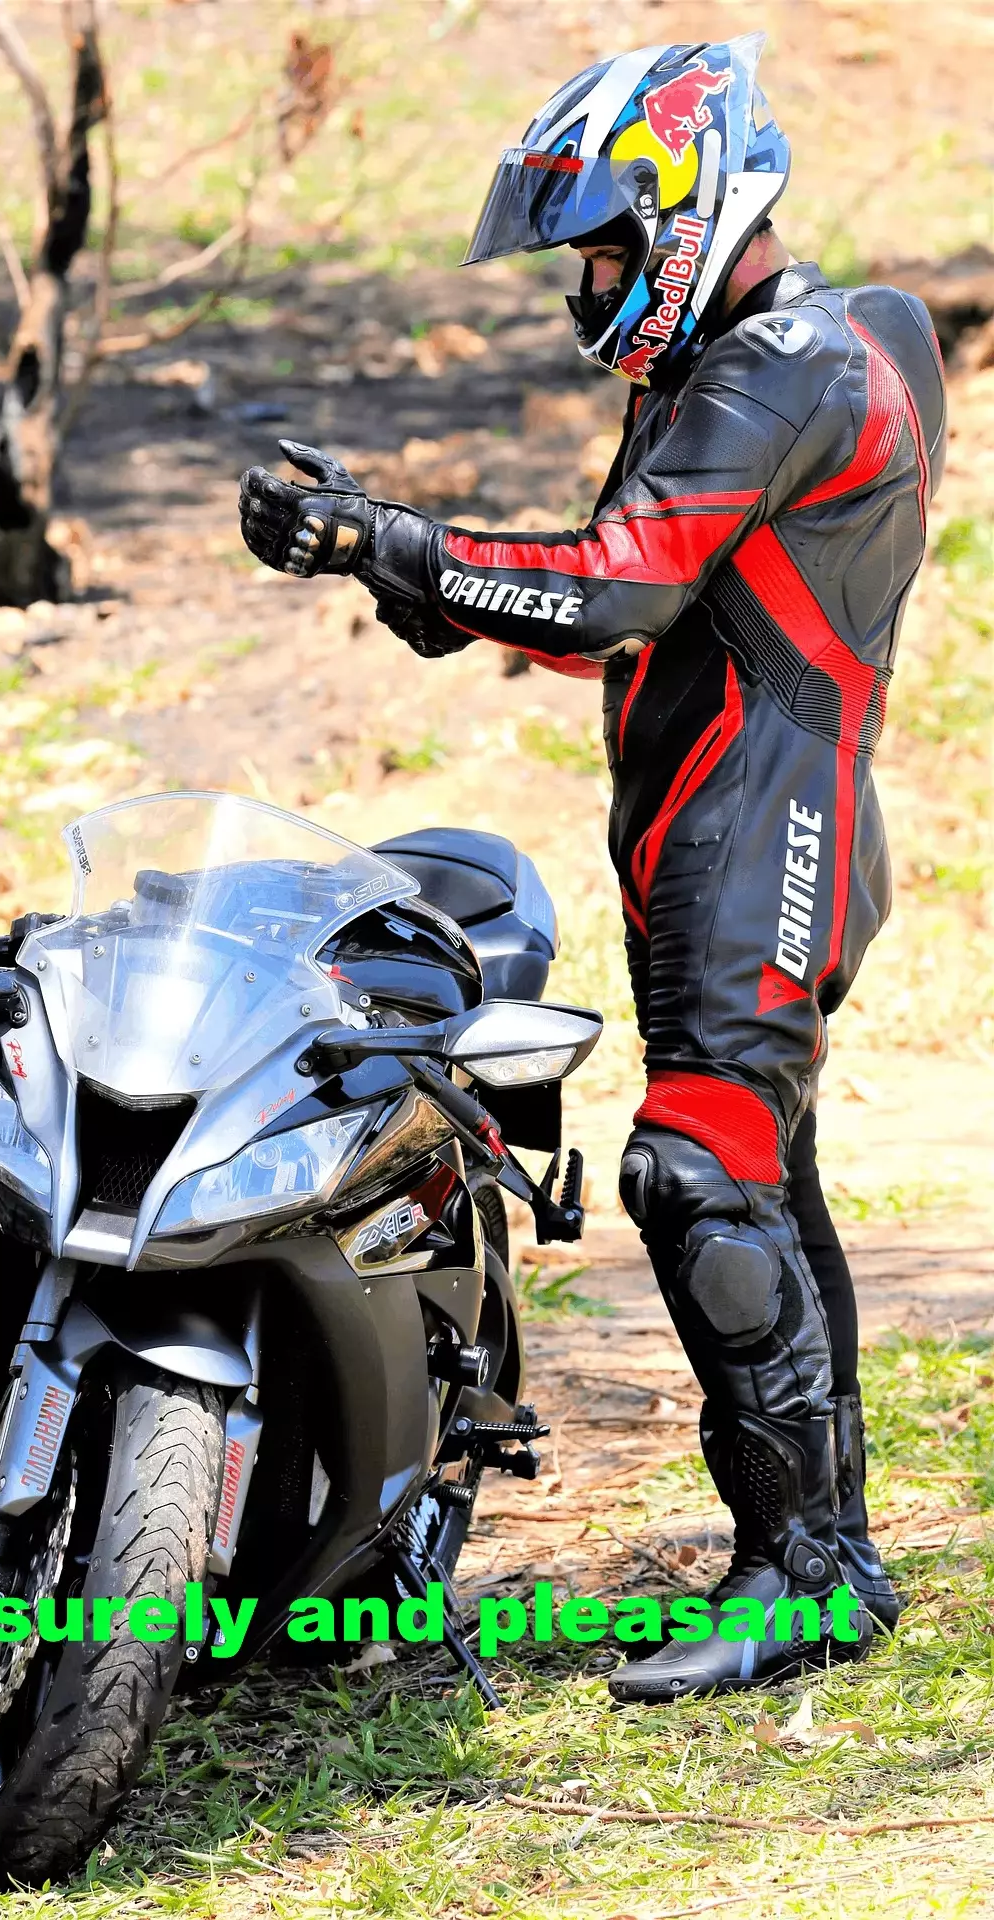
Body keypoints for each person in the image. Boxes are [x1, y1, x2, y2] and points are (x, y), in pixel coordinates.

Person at [237, 32, 945, 1701]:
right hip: (731, 823)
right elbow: (628, 601)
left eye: (609, 251)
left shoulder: (781, 366)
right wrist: (401, 568)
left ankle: (799, 1575)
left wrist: (393, 540)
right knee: (763, 1181)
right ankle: (832, 1553)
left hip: (760, 830)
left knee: (697, 1177)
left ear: (691, 211)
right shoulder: (774, 355)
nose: (590, 288)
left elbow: (617, 586)